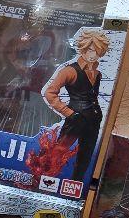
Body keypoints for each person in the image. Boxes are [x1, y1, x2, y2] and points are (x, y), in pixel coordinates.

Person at [42, 28, 109, 181]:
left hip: (94, 120)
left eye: (97, 51)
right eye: (90, 50)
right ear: (83, 48)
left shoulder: (98, 74)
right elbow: (50, 93)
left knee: (86, 156)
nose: (93, 55)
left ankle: (75, 184)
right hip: (75, 119)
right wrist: (69, 113)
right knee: (57, 153)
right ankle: (43, 180)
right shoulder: (70, 71)